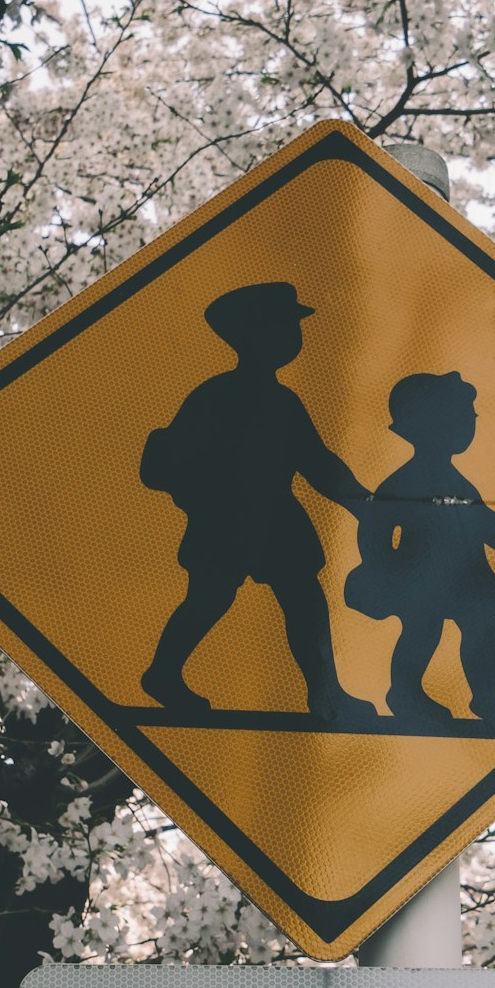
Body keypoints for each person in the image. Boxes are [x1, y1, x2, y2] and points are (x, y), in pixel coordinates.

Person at [137, 281, 374, 719]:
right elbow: (180, 457)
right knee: (209, 599)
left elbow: (317, 462)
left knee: (303, 599)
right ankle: (164, 672)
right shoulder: (215, 396)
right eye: (282, 328)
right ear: (251, 335)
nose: (291, 338)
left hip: (276, 519)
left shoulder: (283, 400)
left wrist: (362, 503)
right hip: (223, 520)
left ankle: (325, 693)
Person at [344, 370, 495, 727]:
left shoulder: (458, 483)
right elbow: (375, 525)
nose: (468, 423)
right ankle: (406, 691)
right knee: (423, 629)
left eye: (469, 416)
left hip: (464, 576)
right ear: (426, 423)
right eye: (460, 415)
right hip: (421, 575)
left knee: (481, 626)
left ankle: (487, 696)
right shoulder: (405, 481)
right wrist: (380, 565)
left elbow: (492, 527)